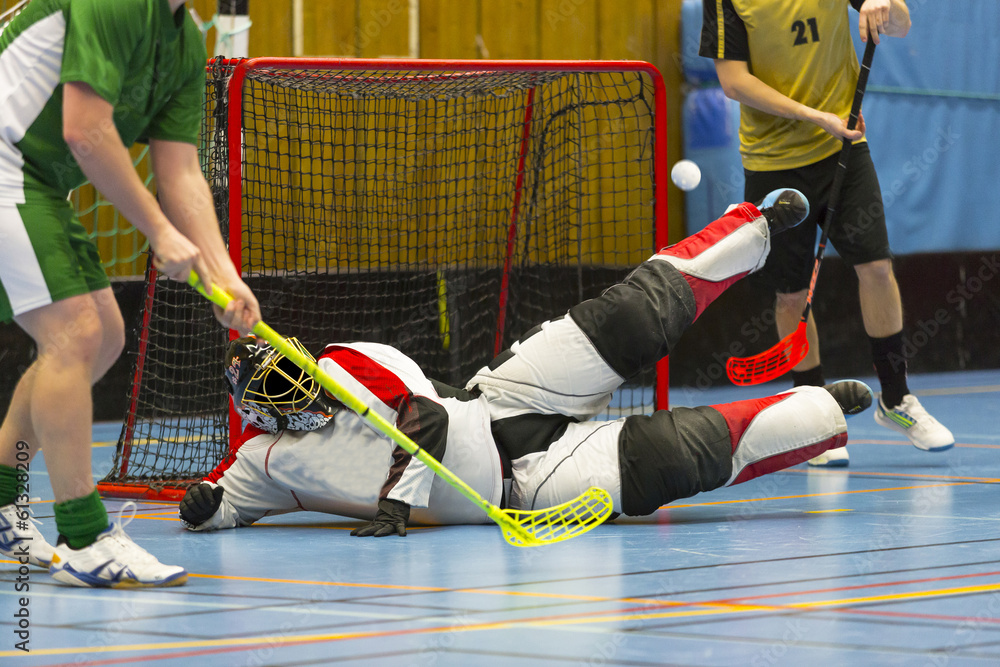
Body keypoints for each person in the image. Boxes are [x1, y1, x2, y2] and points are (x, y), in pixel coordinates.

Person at [180, 191, 873, 536]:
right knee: (675, 456)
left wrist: (399, 503)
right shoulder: (263, 458)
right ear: (257, 412)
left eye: (288, 369)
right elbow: (223, 502)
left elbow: (423, 418)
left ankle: (756, 226)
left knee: (630, 316)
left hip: (502, 399)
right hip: (525, 488)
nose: (294, 386)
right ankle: (821, 412)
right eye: (275, 390)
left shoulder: (345, 363)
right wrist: (200, 507)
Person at [0, 0, 260, 588]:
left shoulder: (186, 43)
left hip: (36, 178)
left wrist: (223, 273)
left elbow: (181, 171)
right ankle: (85, 538)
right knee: (76, 333)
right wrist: (160, 234)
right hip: (8, 164)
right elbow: (84, 129)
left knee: (105, 338)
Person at [699, 0, 953, 467]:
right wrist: (814, 115)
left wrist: (884, 3)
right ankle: (812, 415)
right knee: (791, 296)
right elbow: (733, 81)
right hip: (773, 160)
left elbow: (900, 24)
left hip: (844, 146)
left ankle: (895, 400)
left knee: (876, 266)